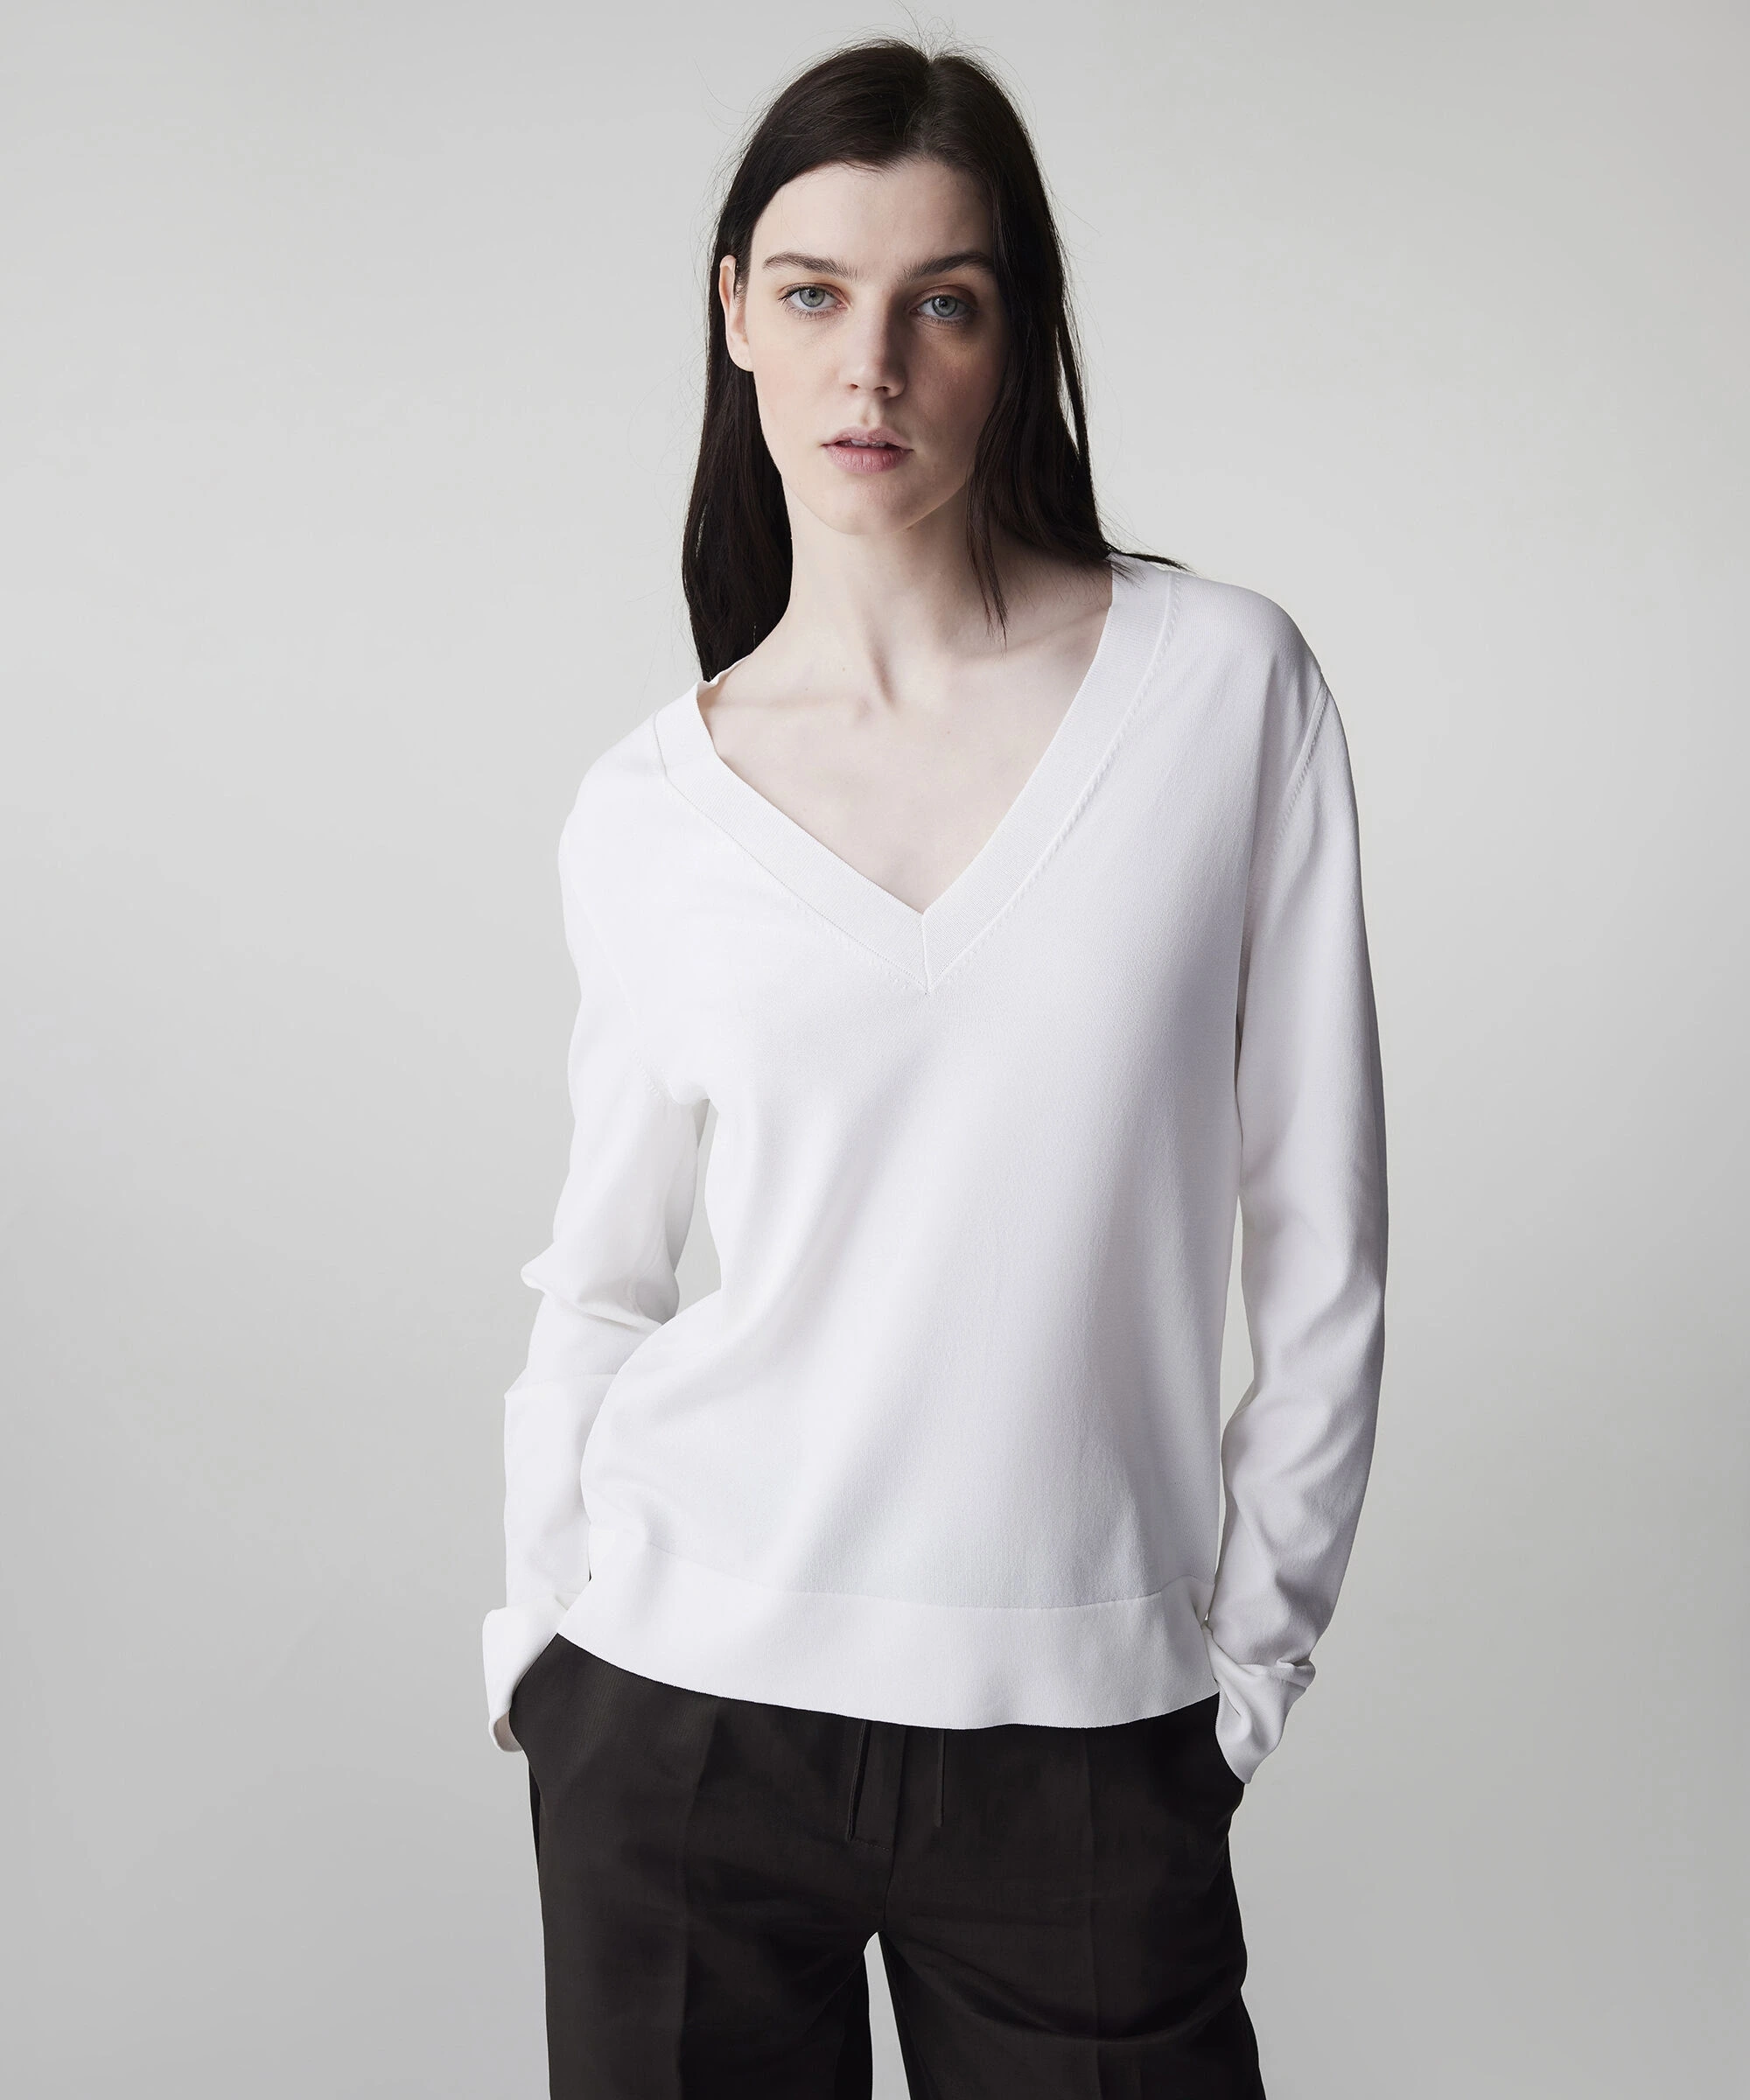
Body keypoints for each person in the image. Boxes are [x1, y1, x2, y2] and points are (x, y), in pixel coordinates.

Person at [481, 33, 1387, 2099]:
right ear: (734, 312)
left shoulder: (1222, 694)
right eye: (814, 294)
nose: (868, 366)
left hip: (1086, 1746)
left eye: (941, 303)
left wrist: (1242, 1670)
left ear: (1018, 331)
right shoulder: (648, 808)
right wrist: (541, 1646)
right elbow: (602, 1277)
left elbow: (1320, 1235)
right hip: (677, 1726)